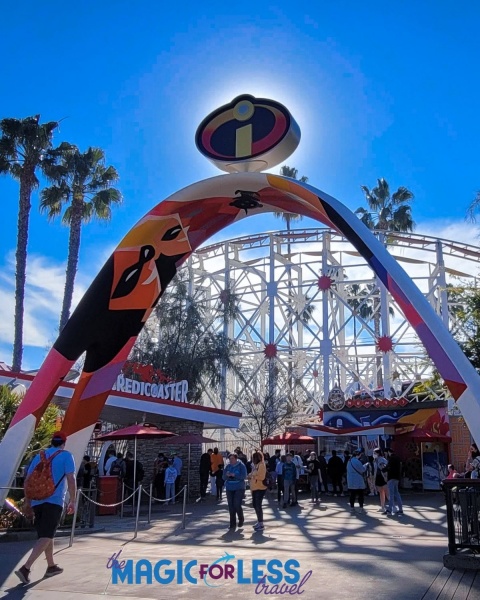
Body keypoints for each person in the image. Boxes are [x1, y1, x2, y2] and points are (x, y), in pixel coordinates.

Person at [14, 431, 76, 584]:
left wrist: (28, 502)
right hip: (54, 501)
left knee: (47, 534)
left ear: (51, 442)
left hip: (37, 501)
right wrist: (73, 500)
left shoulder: (39, 456)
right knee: (47, 536)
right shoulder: (66, 456)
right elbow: (71, 478)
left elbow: (27, 479)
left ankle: (51, 566)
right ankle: (26, 568)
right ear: (63, 442)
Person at [223, 453, 247, 529]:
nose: (231, 460)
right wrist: (227, 475)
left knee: (236, 504)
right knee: (231, 506)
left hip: (239, 487)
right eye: (230, 459)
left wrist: (235, 475)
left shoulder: (241, 466)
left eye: (232, 458)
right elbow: (223, 477)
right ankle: (232, 523)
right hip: (229, 487)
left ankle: (241, 518)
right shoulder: (227, 466)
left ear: (236, 459)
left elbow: (244, 476)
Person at [249, 451, 267, 531]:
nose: (252, 459)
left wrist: (253, 476)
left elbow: (261, 477)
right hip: (255, 487)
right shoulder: (256, 465)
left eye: (253, 458)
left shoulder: (261, 465)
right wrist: (251, 475)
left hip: (260, 488)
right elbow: (253, 474)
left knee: (258, 505)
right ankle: (259, 521)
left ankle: (261, 523)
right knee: (255, 505)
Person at [384, 448, 404, 516]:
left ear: (389, 452)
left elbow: (387, 467)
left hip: (391, 477)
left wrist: (383, 469)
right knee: (397, 493)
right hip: (397, 478)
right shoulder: (398, 458)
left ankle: (389, 510)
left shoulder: (391, 458)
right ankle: (400, 509)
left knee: (391, 494)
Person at [373, 448, 389, 513]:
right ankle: (382, 506)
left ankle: (392, 506)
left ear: (378, 453)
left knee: (387, 492)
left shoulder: (382, 460)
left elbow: (385, 469)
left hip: (383, 477)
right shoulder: (375, 460)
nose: (373, 454)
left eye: (374, 453)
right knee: (381, 492)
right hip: (378, 477)